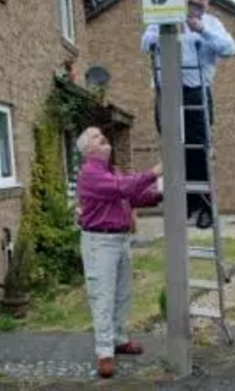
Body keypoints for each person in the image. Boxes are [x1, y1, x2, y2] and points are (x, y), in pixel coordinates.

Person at [141, 0, 235, 229]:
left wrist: (201, 30)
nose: (196, 1)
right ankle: (182, 203)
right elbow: (145, 43)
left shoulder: (212, 23)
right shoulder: (164, 17)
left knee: (199, 150)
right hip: (167, 91)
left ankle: (203, 206)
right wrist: (166, 32)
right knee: (173, 149)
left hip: (196, 93)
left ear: (207, 2)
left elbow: (229, 48)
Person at [76, 126, 163, 379]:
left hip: (120, 240)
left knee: (123, 294)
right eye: (94, 136)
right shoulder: (90, 173)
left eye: (100, 133)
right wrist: (155, 172)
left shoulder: (112, 172)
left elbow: (133, 195)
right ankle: (104, 352)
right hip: (99, 243)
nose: (101, 135)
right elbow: (123, 187)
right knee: (103, 296)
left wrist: (162, 194)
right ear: (88, 149)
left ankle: (118, 339)